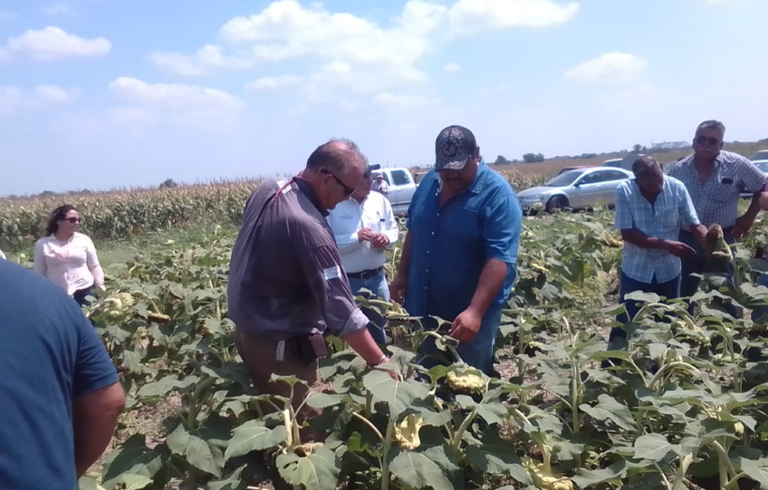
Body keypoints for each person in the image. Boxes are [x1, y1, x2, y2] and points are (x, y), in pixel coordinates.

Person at [227, 139, 393, 432]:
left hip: (249, 330)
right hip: (281, 344)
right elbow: (342, 310)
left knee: (275, 418)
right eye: (347, 190)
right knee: (306, 431)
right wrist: (379, 361)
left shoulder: (271, 188)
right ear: (326, 178)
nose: (347, 198)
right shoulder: (309, 226)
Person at [389, 125, 522, 377]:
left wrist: (475, 311)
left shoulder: (498, 195)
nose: (450, 175)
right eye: (444, 168)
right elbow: (415, 229)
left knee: (467, 379)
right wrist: (402, 274)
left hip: (467, 313)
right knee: (427, 372)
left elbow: (499, 258)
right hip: (424, 304)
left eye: (458, 168)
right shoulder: (429, 182)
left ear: (477, 155)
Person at [0, 258, 125, 489]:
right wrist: (64, 474)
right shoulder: (51, 297)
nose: (75, 222)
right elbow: (107, 402)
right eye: (71, 218)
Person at [667, 120, 768, 314]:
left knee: (725, 295)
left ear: (721, 145)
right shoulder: (679, 169)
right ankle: (684, 338)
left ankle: (726, 340)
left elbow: (763, 185)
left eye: (712, 141)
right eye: (701, 139)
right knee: (681, 296)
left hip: (723, 242)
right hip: (687, 238)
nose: (706, 145)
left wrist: (748, 217)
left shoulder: (736, 164)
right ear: (694, 142)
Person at [611, 156, 707, 342]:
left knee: (669, 320)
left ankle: (663, 367)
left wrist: (711, 242)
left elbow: (694, 224)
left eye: (659, 181)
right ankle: (612, 366)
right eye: (649, 185)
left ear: (662, 168)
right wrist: (665, 244)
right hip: (636, 269)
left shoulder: (677, 187)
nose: (657, 187)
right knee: (625, 321)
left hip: (668, 269)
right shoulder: (625, 191)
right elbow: (628, 233)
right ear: (637, 181)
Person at [327, 164, 400, 344]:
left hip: (377, 279)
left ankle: (381, 368)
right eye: (364, 178)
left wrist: (386, 238)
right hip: (347, 282)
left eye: (370, 176)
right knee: (350, 332)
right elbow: (326, 242)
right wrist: (355, 238)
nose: (370, 182)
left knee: (378, 326)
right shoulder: (335, 205)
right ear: (350, 180)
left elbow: (394, 229)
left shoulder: (379, 200)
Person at [34, 205, 105, 307]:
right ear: (59, 221)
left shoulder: (84, 240)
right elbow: (39, 273)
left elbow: (94, 266)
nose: (76, 223)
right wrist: (40, 294)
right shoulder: (43, 244)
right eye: (72, 220)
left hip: (85, 290)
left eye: (78, 220)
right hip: (58, 293)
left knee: (88, 321)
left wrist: (101, 289)